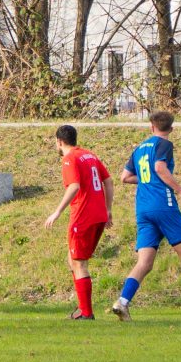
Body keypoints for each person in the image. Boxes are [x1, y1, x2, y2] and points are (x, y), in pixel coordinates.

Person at [111, 111, 181, 322]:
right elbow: (159, 167)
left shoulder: (139, 148)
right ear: (171, 128)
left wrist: (147, 180)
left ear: (151, 126)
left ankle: (122, 303)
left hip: (143, 209)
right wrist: (180, 191)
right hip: (163, 204)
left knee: (144, 262)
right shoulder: (164, 144)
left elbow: (125, 177)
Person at [42, 125, 112, 320]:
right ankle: (82, 307)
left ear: (59, 141)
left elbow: (74, 186)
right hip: (99, 215)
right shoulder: (89, 155)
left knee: (79, 263)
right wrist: (108, 209)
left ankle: (86, 313)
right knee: (72, 259)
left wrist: (57, 212)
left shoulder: (69, 158)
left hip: (83, 216)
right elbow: (108, 181)